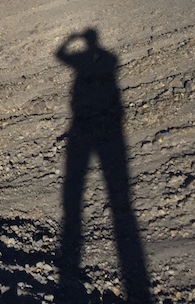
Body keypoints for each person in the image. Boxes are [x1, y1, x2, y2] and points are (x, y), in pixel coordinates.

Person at [55, 28, 151, 303]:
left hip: (84, 125)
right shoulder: (109, 57)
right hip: (110, 124)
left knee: (75, 193)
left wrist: (70, 39)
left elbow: (59, 55)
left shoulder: (90, 58)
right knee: (118, 192)